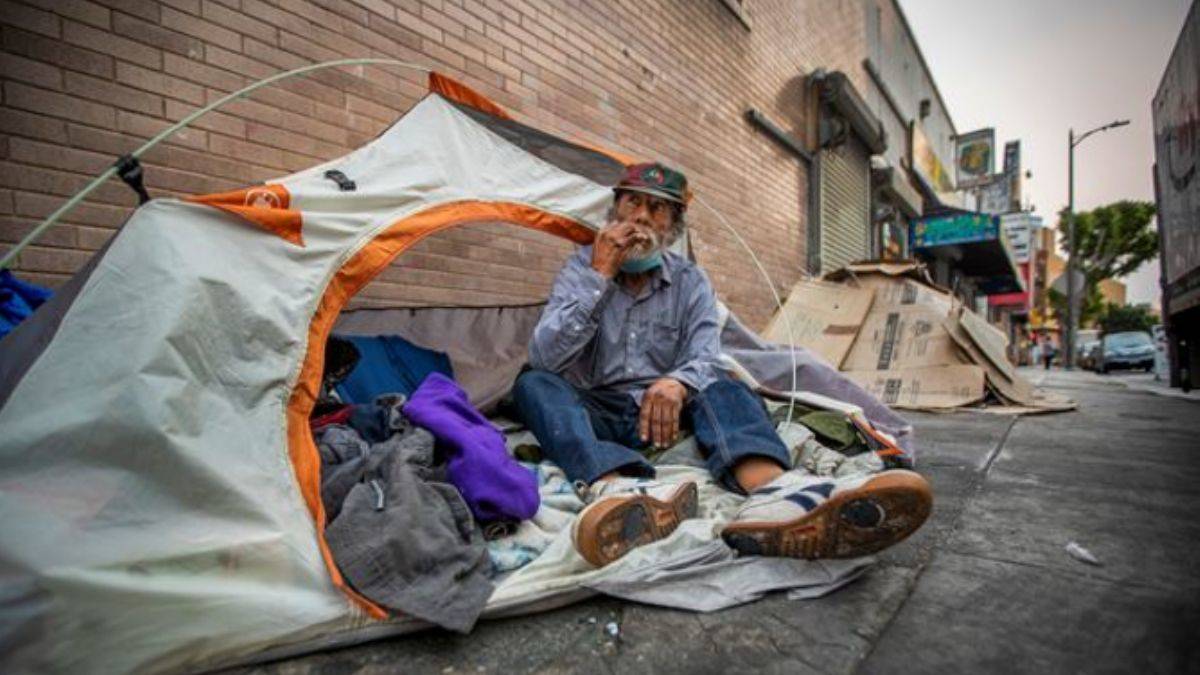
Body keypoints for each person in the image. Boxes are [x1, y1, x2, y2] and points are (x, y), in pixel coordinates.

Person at [512, 162, 932, 568]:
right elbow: (547, 357)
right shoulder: (580, 268)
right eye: (632, 203)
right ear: (614, 209)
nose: (640, 217)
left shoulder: (691, 281)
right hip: (600, 408)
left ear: (672, 225)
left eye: (656, 208)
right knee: (533, 384)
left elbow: (705, 353)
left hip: (670, 414)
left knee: (725, 383)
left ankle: (773, 491)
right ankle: (617, 493)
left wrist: (677, 382)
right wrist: (599, 274)